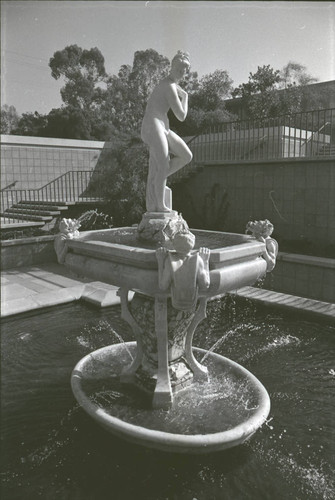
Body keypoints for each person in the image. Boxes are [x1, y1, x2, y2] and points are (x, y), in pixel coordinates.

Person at [141, 51, 193, 213]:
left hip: (163, 125)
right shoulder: (169, 86)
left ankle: (158, 179)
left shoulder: (171, 85)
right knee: (163, 163)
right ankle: (159, 205)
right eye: (179, 69)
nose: (181, 73)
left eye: (184, 71)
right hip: (152, 124)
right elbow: (181, 116)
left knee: (186, 156)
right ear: (172, 67)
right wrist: (185, 98)